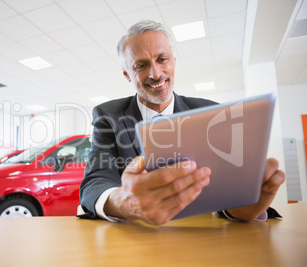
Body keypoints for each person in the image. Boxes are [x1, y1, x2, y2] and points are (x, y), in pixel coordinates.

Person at [78, 20, 285, 226]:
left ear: (174, 61)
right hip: (138, 237)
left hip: (200, 234)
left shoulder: (214, 113)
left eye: (162, 59)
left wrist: (239, 207)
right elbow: (96, 180)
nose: (156, 74)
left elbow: (227, 184)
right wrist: (124, 203)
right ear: (127, 74)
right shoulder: (108, 116)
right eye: (141, 65)